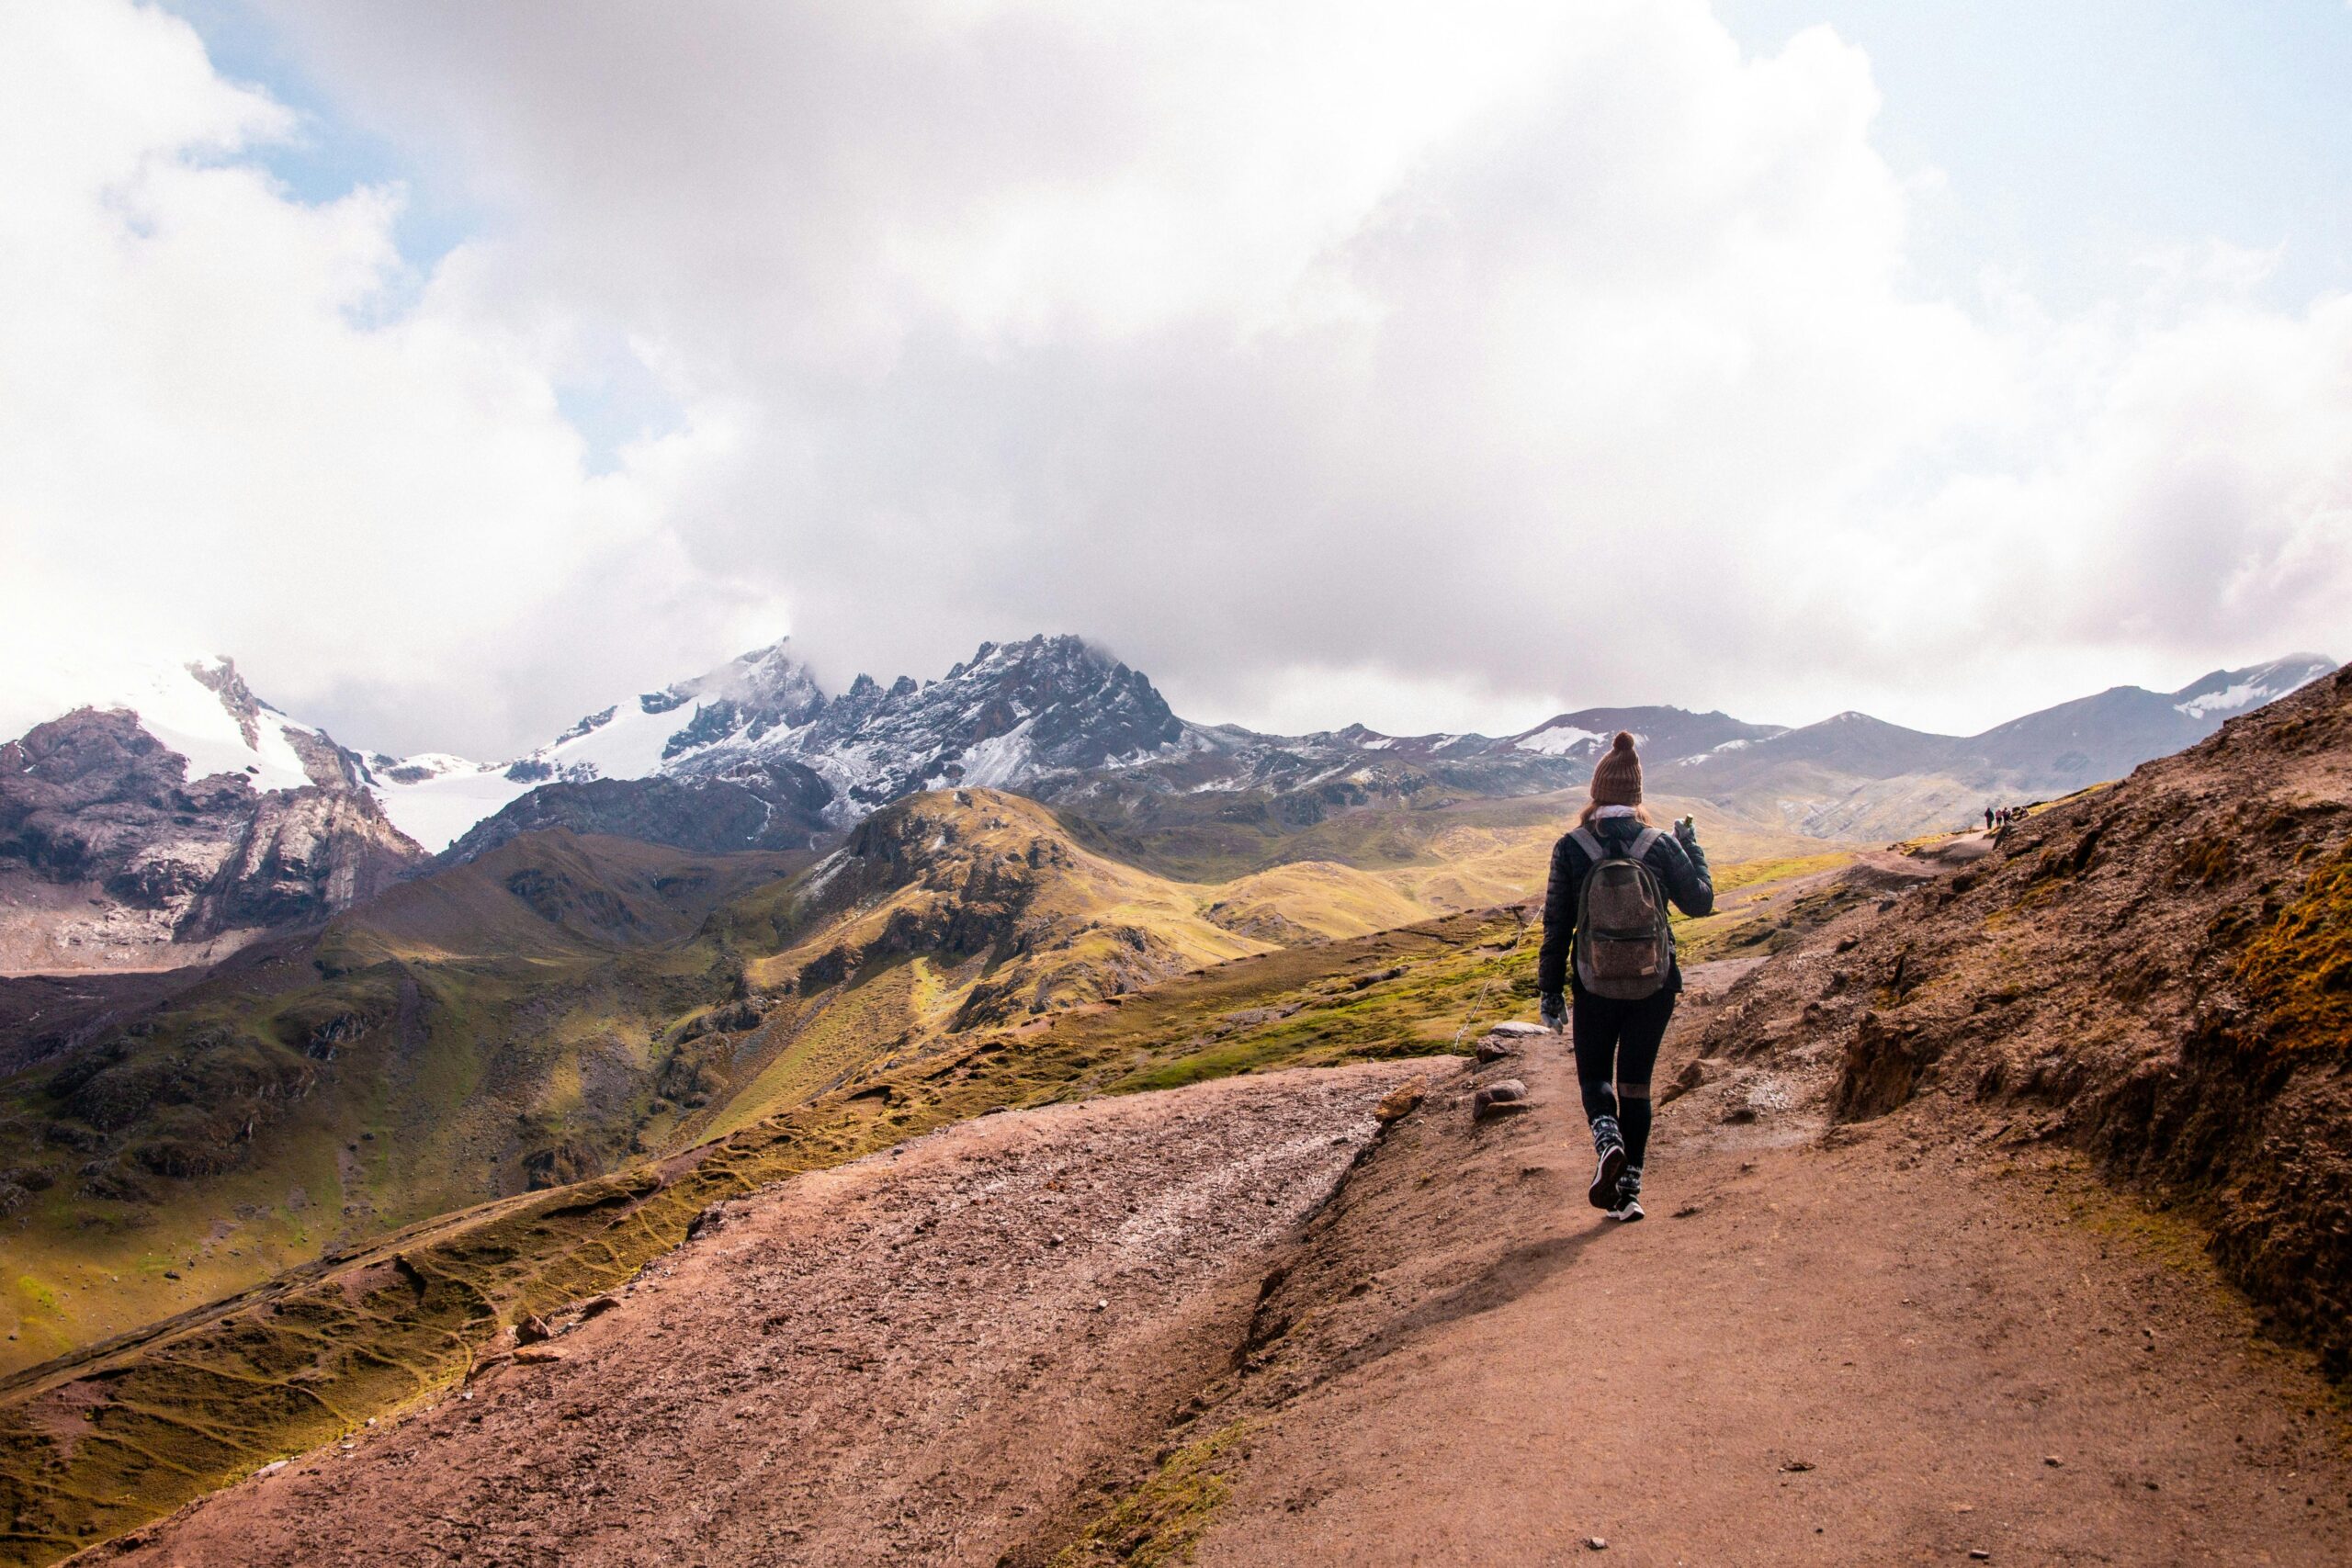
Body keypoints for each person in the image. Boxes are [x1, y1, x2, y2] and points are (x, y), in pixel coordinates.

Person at [1537, 731, 1713, 1223]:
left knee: (1595, 1077)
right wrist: (1690, 846)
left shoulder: (1571, 847)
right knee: (1636, 1086)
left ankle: (1607, 1140)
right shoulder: (1657, 845)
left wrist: (1551, 992)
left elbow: (1557, 925)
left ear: (1596, 792)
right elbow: (1701, 902)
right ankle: (1629, 1193)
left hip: (1594, 986)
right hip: (1654, 985)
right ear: (1636, 795)